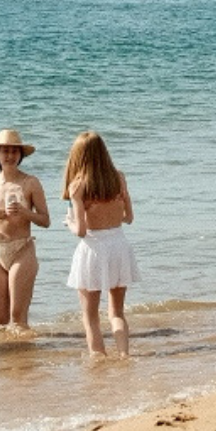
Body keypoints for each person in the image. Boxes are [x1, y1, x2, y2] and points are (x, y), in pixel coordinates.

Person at [62, 131, 137, 359]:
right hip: (119, 245)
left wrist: (70, 223)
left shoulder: (78, 186)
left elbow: (82, 231)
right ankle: (124, 354)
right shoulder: (119, 178)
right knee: (116, 312)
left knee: (90, 315)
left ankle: (99, 358)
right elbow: (129, 218)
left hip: (94, 249)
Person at [0, 128, 50, 333]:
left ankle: (23, 363)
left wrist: (24, 212)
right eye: (5, 151)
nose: (10, 156)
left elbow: (45, 220)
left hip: (23, 249)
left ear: (21, 155)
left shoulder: (30, 182)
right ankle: (3, 362)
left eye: (15, 151)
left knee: (17, 318)